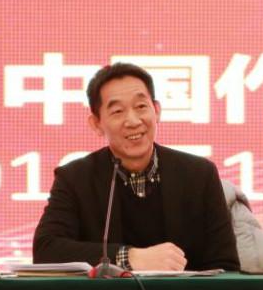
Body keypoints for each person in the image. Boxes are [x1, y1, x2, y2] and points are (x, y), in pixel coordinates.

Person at [33, 63, 239, 271]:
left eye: (141, 106)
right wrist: (127, 257)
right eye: (117, 111)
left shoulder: (199, 175)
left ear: (157, 111)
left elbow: (226, 265)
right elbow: (45, 250)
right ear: (96, 124)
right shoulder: (75, 179)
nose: (132, 121)